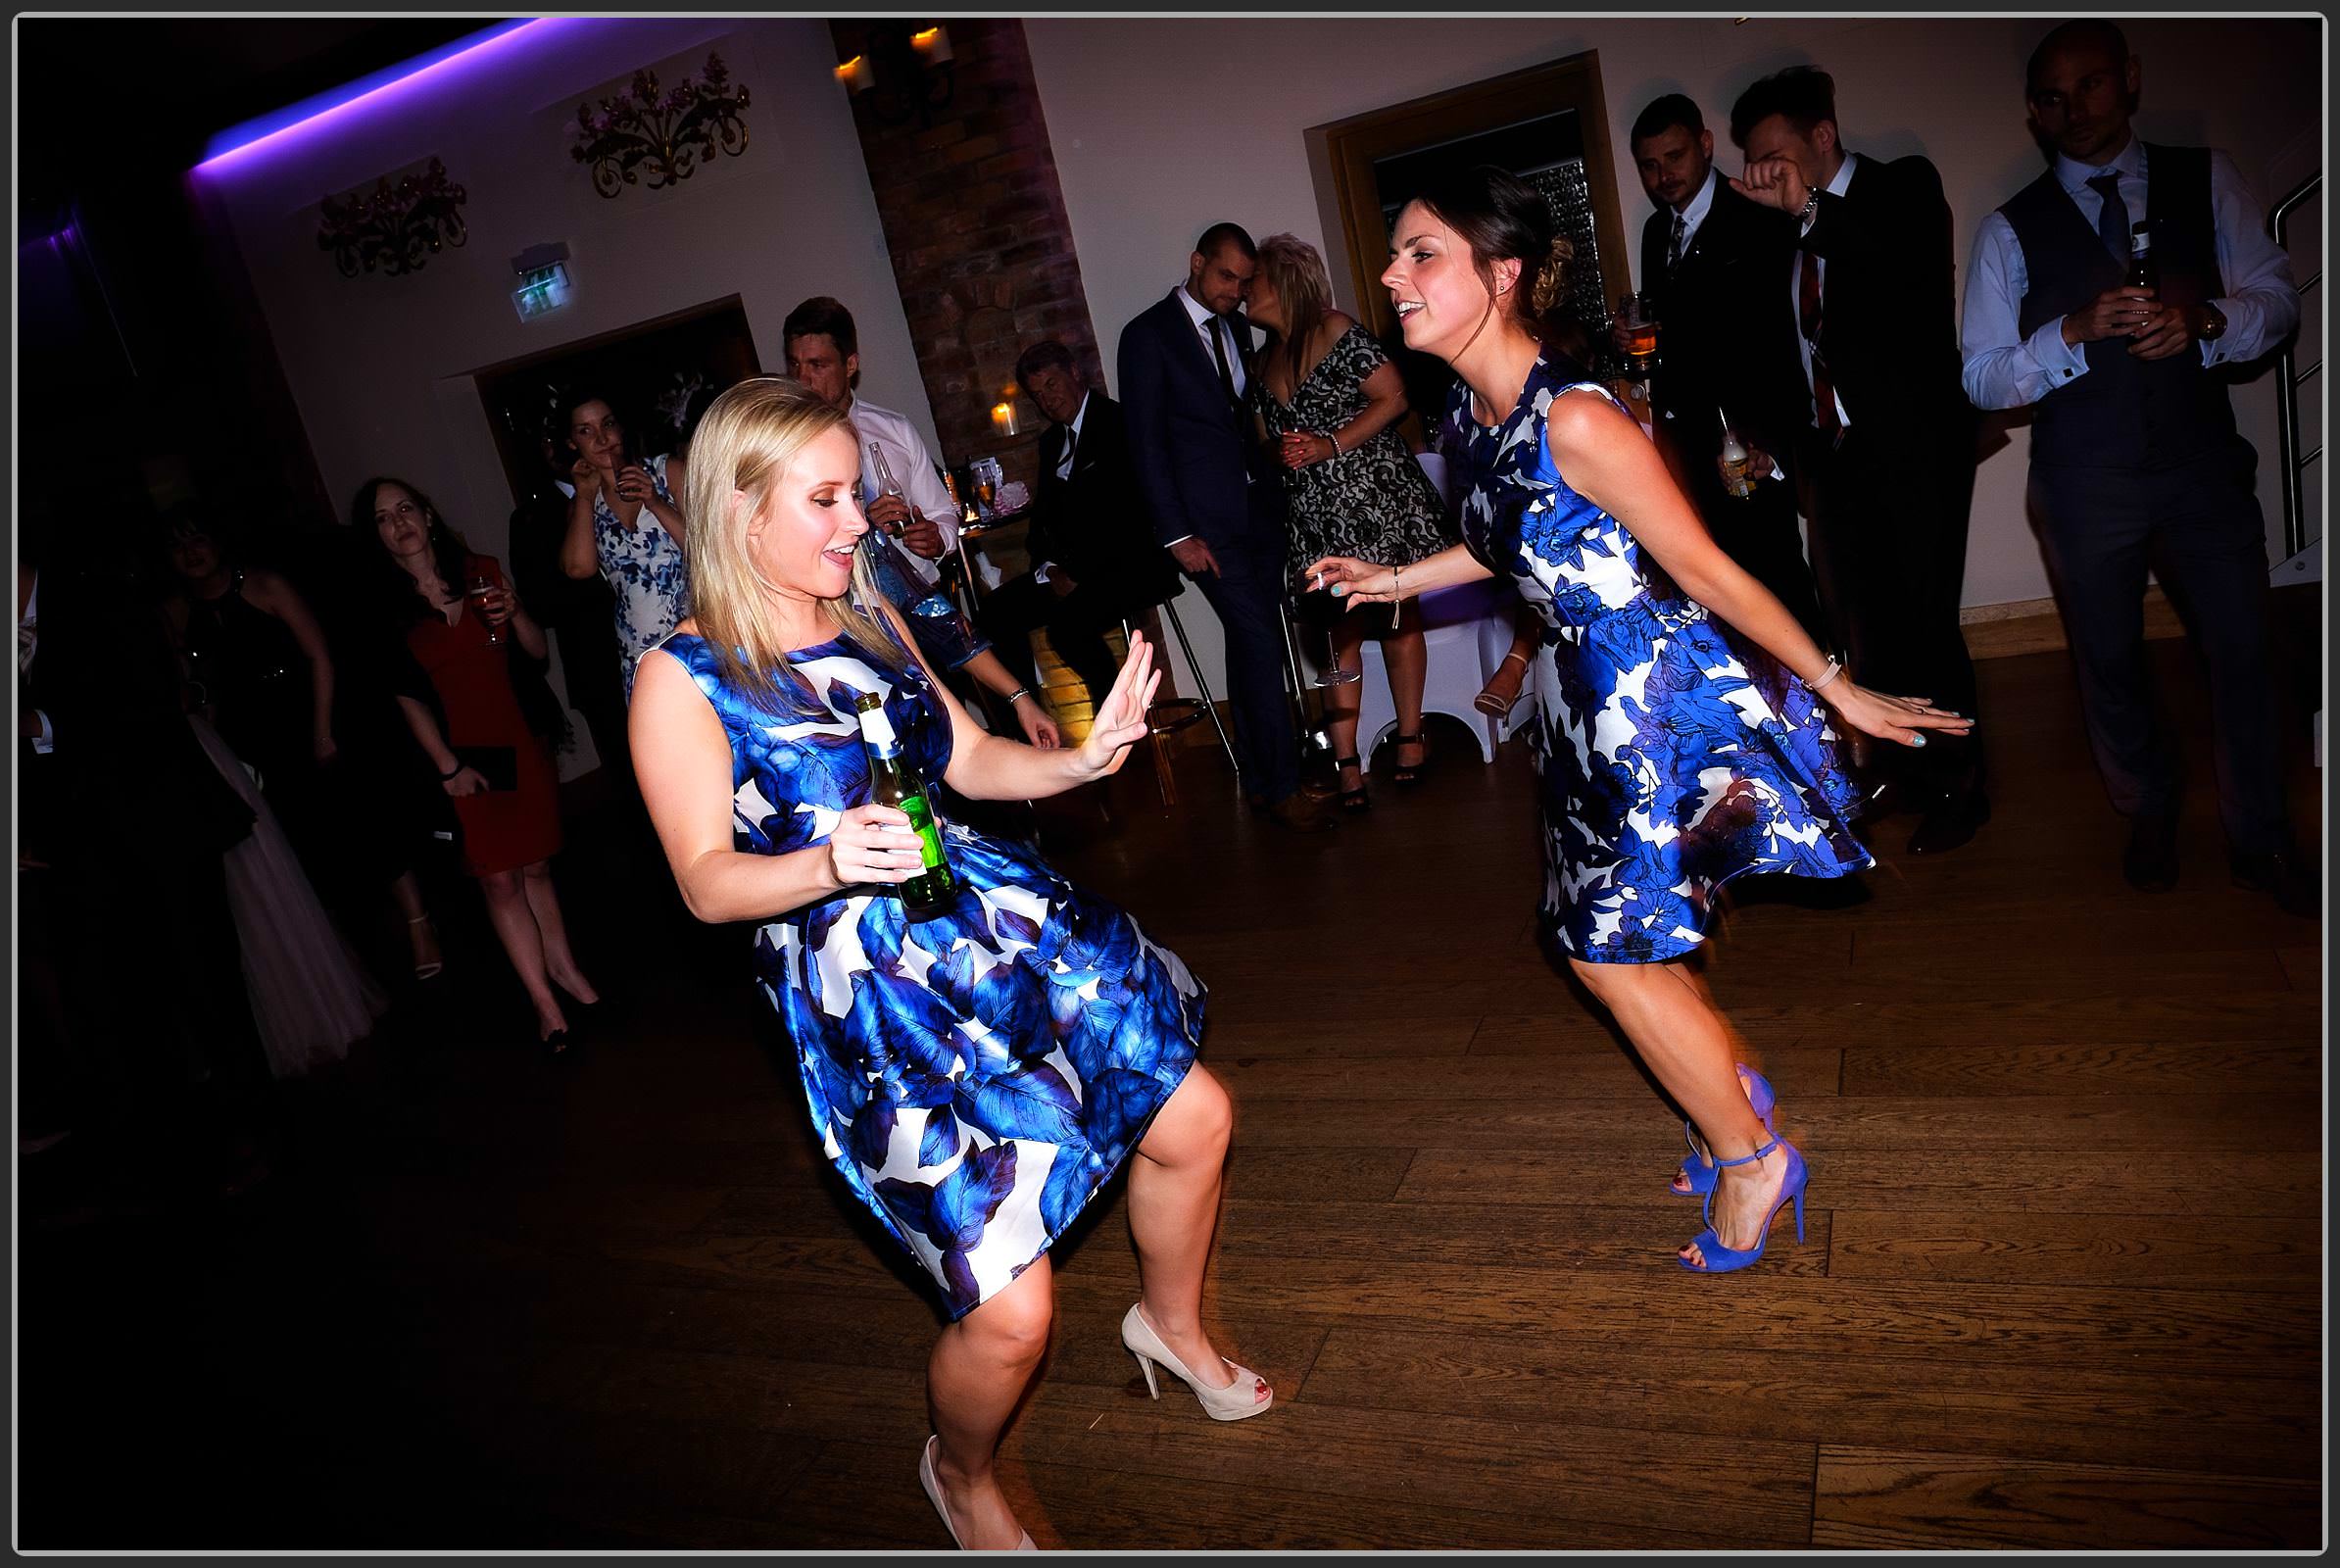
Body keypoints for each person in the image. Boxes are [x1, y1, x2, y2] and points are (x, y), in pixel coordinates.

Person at [628, 379, 1271, 1549]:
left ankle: (1168, 1325)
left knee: (1195, 1117)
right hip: (877, 1002)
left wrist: (1084, 762)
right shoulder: (683, 676)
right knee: (1014, 1315)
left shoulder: (869, 612)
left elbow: (969, 759)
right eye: (823, 500)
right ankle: (960, 1471)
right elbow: (705, 883)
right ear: (737, 507)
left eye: (854, 494)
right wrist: (828, 862)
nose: (857, 521)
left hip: (998, 929)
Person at [1313, 166, 1973, 1272]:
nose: (1392, 275)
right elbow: (1501, 540)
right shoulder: (1477, 412)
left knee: (1607, 950)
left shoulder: (1577, 416)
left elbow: (1704, 566)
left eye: (1421, 252)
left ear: (1502, 273)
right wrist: (1391, 581)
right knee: (1620, 934)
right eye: (1397, 254)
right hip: (1579, 706)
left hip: (1645, 700)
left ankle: (1753, 1152)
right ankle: (1732, 1092)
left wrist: (1836, 680)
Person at [1961, 20, 2313, 914]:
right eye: (2051, 96)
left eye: (2090, 85)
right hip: (2084, 478)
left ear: (2131, 79)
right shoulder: (2009, 229)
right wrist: (2071, 333)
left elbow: (2275, 299)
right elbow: (1981, 374)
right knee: (2109, 659)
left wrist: (2206, 323)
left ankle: (2261, 835)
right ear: (2033, 114)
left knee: (2243, 647)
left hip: (2201, 465)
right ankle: (2148, 807)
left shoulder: (2210, 175)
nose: (2072, 108)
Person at [1729, 66, 1990, 856]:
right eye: (1754, 162)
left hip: (1914, 453)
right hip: (1830, 461)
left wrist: (1806, 209)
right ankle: (1903, 771)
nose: (1763, 175)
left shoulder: (1901, 187)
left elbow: (1896, 267)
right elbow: (1780, 343)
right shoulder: (1777, 228)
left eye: (1774, 156)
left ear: (1822, 138)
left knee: (1926, 627)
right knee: (1860, 633)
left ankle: (1960, 787)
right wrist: (1773, 443)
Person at [363, 476, 603, 1047]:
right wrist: (446, 767)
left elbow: (537, 652)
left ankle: (565, 970)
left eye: (404, 508)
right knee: (499, 882)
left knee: (538, 866)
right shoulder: (385, 610)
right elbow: (405, 698)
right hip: (458, 754)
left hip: (518, 736)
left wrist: (518, 611)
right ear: (376, 537)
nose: (398, 523)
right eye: (382, 518)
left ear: (426, 512)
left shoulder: (481, 571)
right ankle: (546, 1006)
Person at [159, 505, 445, 978]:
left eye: (197, 539)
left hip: (310, 714)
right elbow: (191, 688)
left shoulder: (264, 584)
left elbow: (319, 656)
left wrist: (323, 731)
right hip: (250, 740)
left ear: (216, 540)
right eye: (177, 545)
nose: (190, 552)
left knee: (367, 827)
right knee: (308, 845)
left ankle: (419, 925)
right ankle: (351, 957)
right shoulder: (176, 613)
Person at [1119, 222, 1331, 832]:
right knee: (1261, 639)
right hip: (1204, 528)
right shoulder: (1146, 335)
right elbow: (1146, 444)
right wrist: (1176, 533)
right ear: (1196, 262)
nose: (1234, 292)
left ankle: (1266, 781)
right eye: (1224, 277)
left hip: (1259, 512)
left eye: (1243, 282)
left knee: (1255, 643)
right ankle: (1284, 786)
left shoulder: (1240, 327)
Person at [782, 297, 1061, 749]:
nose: (804, 379)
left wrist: (935, 538)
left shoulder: (892, 430)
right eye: (795, 365)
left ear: (851, 364)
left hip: (921, 608)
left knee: (953, 738)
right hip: (840, 629)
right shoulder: (780, 450)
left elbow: (943, 518)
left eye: (817, 364)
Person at [1248, 233, 1452, 808]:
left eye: (1254, 282)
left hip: (1372, 496)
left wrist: (1329, 444)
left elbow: (1394, 396)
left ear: (1284, 281)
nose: (1244, 294)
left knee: (1395, 616)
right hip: (1312, 514)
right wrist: (1283, 453)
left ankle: (1411, 739)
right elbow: (1264, 441)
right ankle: (1347, 762)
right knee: (1333, 634)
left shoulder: (1334, 329)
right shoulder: (1260, 360)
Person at [1618, 94, 1828, 648]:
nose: (1663, 175)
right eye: (1649, 164)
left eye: (1675, 156)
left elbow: (1788, 332)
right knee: (1712, 587)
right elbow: (1676, 332)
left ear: (1706, 145)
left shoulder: (1756, 211)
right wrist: (1634, 343)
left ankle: (1824, 711)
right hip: (1687, 443)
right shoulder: (1654, 233)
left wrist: (1775, 442)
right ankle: (1757, 717)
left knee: (1776, 577)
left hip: (1751, 442)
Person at [977, 340, 1181, 713]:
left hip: (1129, 564)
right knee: (992, 616)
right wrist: (1049, 567)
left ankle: (1114, 725)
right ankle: (1029, 730)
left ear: (1074, 372)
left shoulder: (1119, 423)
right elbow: (1041, 524)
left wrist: (1077, 572)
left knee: (1069, 629)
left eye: (1051, 386)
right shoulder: (1051, 442)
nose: (1047, 401)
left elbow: (1128, 517)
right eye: (1037, 395)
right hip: (1068, 570)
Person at [512, 420, 629, 784]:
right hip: (599, 663)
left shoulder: (638, 486)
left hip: (664, 645)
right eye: (580, 432)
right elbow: (539, 601)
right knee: (631, 774)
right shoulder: (533, 518)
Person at [557, 387, 689, 700]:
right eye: (586, 431)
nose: (601, 439)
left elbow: (710, 550)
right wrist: (586, 495)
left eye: (608, 424)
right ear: (572, 443)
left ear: (621, 427)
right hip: (641, 649)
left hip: (700, 633)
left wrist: (655, 502)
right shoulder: (583, 504)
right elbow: (579, 568)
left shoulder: (667, 470)